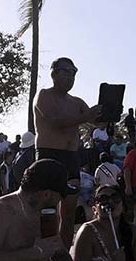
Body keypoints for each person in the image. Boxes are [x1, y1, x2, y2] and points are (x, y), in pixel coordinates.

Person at [33, 56, 101, 248]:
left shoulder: (76, 101)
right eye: (67, 72)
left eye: (74, 73)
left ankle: (63, 254)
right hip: (49, 155)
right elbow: (56, 122)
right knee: (48, 209)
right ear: (55, 73)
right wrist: (85, 117)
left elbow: (97, 122)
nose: (71, 77)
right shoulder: (44, 95)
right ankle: (45, 255)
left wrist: (108, 111)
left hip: (70, 157)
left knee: (69, 209)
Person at [72, 186, 136, 261]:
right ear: (94, 209)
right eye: (103, 199)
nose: (110, 202)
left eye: (115, 199)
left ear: (122, 206)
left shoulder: (133, 231)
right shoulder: (87, 231)